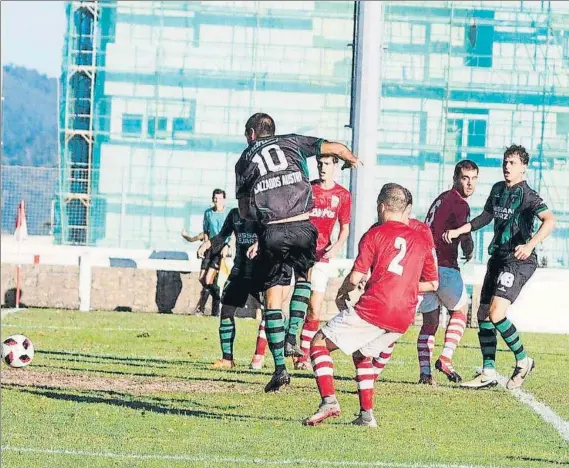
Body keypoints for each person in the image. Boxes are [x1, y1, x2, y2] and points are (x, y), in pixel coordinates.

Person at [235, 112, 361, 392]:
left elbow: (245, 211)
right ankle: (293, 335)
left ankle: (279, 368)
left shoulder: (244, 159)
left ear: (252, 134)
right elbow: (337, 149)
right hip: (304, 227)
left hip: (273, 231)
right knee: (304, 277)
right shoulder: (292, 142)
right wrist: (352, 159)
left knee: (272, 301)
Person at [304, 184, 438, 427]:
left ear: (382, 205)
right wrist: (404, 286)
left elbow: (356, 277)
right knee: (362, 354)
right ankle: (366, 416)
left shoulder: (375, 234)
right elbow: (432, 283)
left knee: (319, 343)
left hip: (376, 308)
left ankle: (329, 402)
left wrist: (342, 293)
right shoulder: (421, 240)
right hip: (404, 317)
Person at [443, 145, 555, 389]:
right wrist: (459, 231)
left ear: (523, 167)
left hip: (518, 260)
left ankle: (523, 360)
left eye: (512, 163)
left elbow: (550, 220)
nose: (507, 167)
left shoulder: (528, 195)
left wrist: (530, 244)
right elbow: (485, 217)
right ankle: (489, 371)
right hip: (497, 258)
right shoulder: (497, 190)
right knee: (483, 314)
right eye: (505, 162)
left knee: (496, 313)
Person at [414, 160, 479, 385]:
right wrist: (469, 251)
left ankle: (425, 374)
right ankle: (446, 358)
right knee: (461, 310)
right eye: (465, 178)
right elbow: (466, 235)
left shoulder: (441, 199)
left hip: (424, 267)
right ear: (455, 178)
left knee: (429, 321)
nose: (469, 184)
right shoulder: (460, 204)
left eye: (473, 179)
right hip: (444, 266)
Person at [295, 154, 352, 370]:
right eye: (320, 163)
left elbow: (345, 229)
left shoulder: (342, 195)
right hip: (300, 254)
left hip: (321, 258)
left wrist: (336, 247)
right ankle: (262, 353)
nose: (322, 167)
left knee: (315, 308)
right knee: (289, 302)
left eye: (327, 163)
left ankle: (303, 356)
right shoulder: (309, 189)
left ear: (335, 166)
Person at [197, 208, 261, 369]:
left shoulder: (262, 212)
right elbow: (222, 235)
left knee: (274, 313)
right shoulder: (234, 214)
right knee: (226, 311)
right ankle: (227, 359)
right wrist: (208, 243)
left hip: (260, 272)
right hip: (239, 272)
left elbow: (272, 236)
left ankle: (288, 352)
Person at [194, 189, 228, 317]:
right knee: (202, 278)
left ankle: (200, 309)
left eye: (219, 198)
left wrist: (227, 246)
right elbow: (206, 231)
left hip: (221, 248)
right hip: (210, 248)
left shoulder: (228, 214)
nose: (217, 201)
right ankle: (216, 296)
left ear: (224, 200)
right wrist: (205, 245)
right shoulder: (208, 213)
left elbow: (232, 233)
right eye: (215, 198)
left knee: (208, 279)